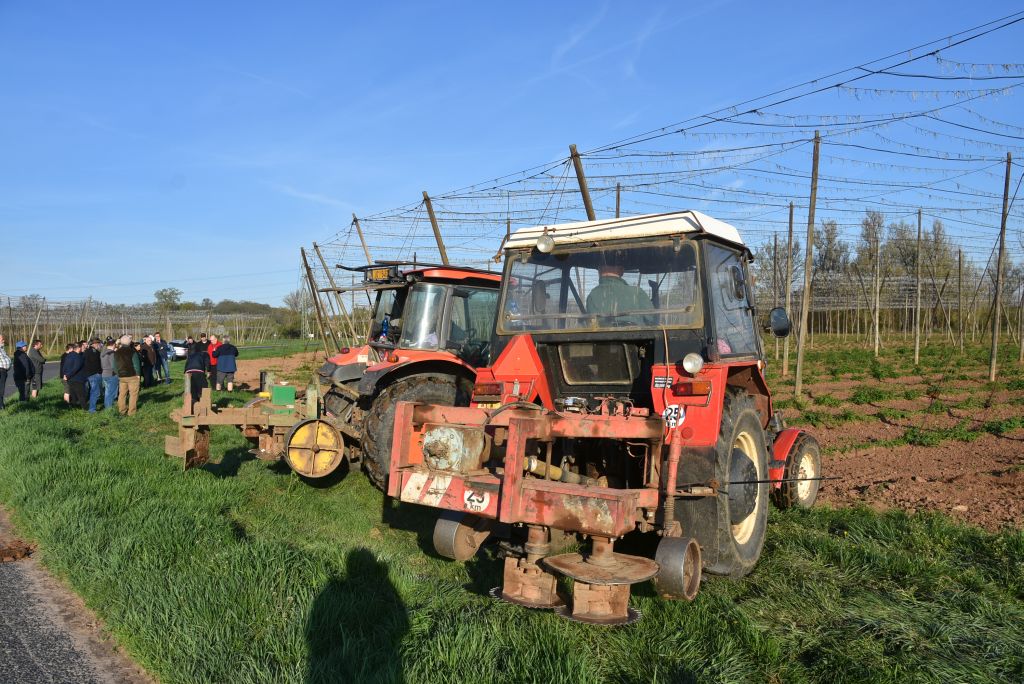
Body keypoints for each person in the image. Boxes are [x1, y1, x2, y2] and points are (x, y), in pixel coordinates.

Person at [585, 261, 653, 325]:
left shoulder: (592, 296)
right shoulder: (638, 293)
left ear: (599, 270)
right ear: (622, 271)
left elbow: (591, 325)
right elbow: (652, 321)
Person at [115, 335, 141, 416]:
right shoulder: (132, 352)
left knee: (122, 394)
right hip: (132, 376)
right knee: (133, 394)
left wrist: (118, 373)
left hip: (121, 376)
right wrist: (138, 375)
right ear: (130, 342)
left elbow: (114, 365)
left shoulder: (116, 352)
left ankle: (122, 410)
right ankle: (131, 412)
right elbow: (136, 365)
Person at [184, 342, 209, 409]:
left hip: (188, 372)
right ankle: (203, 402)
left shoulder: (191, 355)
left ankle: (193, 404)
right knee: (204, 386)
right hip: (199, 371)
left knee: (192, 388)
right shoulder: (204, 354)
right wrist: (209, 371)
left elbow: (186, 364)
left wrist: (185, 372)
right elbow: (207, 362)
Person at [81, 338, 103, 412]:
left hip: (89, 374)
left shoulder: (87, 351)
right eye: (99, 344)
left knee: (93, 391)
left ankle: (89, 406)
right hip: (94, 374)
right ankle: (92, 409)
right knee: (95, 392)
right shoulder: (94, 352)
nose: (100, 345)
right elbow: (96, 364)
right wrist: (100, 372)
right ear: (95, 344)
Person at [64, 342, 85, 408]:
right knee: (81, 395)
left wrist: (65, 375)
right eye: (82, 347)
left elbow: (64, 366)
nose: (82, 348)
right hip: (77, 379)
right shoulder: (78, 357)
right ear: (79, 348)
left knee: (73, 395)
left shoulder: (68, 355)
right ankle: (85, 409)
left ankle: (73, 408)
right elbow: (76, 368)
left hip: (70, 379)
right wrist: (68, 375)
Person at [100, 338, 118, 410]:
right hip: (111, 374)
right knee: (111, 392)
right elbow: (114, 365)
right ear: (113, 345)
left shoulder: (102, 353)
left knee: (107, 392)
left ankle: (107, 405)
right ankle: (109, 408)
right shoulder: (112, 353)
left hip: (104, 373)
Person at [0, 335, 11, 410]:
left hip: (3, 371)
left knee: (1, 389)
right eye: (2, 339)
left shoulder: (2, 348)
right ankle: (1, 406)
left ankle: (1, 404)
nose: (3, 341)